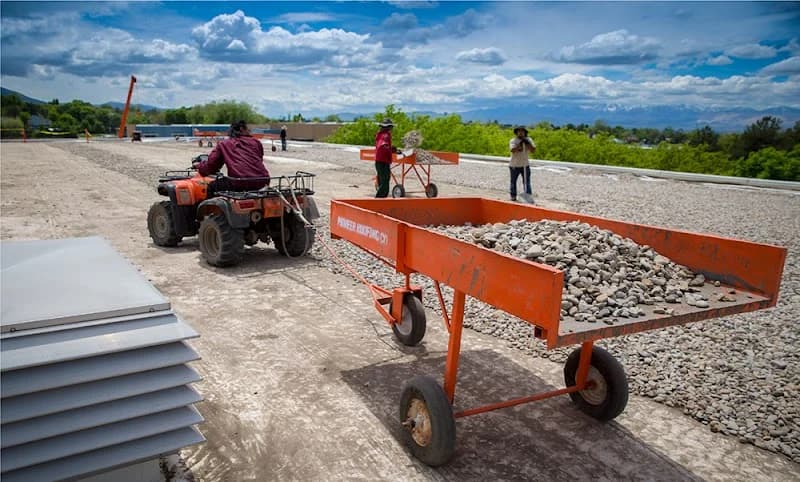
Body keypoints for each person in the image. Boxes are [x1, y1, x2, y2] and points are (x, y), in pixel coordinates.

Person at [193, 120, 269, 195]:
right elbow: (258, 159)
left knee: (211, 186)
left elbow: (211, 165)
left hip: (240, 182)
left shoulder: (224, 144)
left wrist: (199, 166)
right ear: (242, 129)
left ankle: (207, 207)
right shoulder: (256, 142)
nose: (249, 131)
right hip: (263, 181)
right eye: (248, 129)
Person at [509, 126, 536, 202]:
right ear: (516, 132)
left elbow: (533, 150)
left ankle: (528, 197)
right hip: (514, 165)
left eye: (522, 131)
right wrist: (520, 144)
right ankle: (513, 196)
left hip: (525, 164)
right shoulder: (513, 141)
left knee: (527, 182)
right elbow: (513, 150)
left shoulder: (529, 140)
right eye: (519, 131)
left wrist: (528, 143)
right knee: (513, 181)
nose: (521, 133)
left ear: (525, 132)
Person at [374, 118, 398, 198]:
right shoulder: (386, 135)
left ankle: (380, 199)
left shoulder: (379, 134)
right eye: (391, 127)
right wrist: (392, 150)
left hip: (378, 161)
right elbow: (383, 146)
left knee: (381, 180)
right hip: (383, 161)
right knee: (385, 181)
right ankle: (379, 199)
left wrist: (391, 149)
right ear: (388, 127)